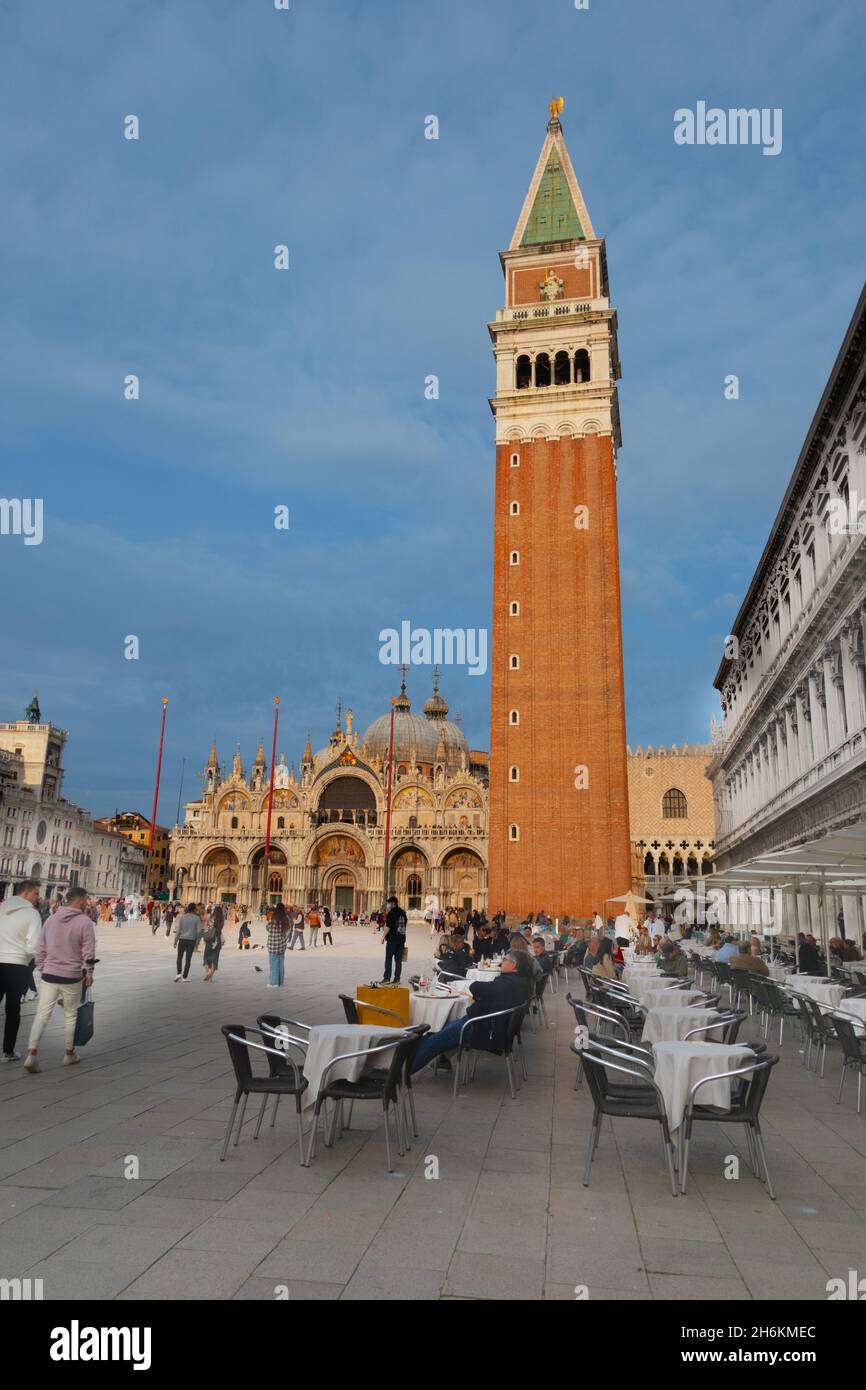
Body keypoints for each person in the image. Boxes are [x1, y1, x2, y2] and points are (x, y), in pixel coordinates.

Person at [410, 950, 533, 1073]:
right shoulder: (521, 982)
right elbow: (491, 993)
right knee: (435, 1033)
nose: (501, 962)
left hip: (480, 1029)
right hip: (488, 1025)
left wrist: (481, 995)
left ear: (514, 965)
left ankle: (399, 1075)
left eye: (505, 960)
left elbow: (476, 987)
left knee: (433, 1041)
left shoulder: (509, 984)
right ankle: (422, 1060)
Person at [24, 886, 96, 1072]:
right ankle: (68, 1054)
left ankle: (31, 1054)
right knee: (71, 1015)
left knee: (42, 1015)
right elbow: (88, 952)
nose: (87, 902)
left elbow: (40, 949)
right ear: (79, 900)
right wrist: (88, 973)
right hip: (71, 976)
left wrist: (43, 968)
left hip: (49, 974)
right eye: (85, 899)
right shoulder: (84, 922)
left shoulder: (51, 919)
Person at [0, 879, 42, 1062]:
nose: (37, 898)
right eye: (36, 894)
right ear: (26, 893)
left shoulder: (1, 907)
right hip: (17, 964)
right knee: (12, 1009)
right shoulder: (31, 914)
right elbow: (34, 946)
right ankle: (7, 1051)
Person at [381, 895, 407, 984]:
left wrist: (383, 937)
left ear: (393, 904)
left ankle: (387, 978)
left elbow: (388, 926)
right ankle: (397, 979)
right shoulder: (403, 912)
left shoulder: (392, 913)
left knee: (388, 958)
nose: (388, 905)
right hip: (401, 940)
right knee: (398, 960)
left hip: (392, 940)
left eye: (389, 903)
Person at [173, 903, 203, 981]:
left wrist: (175, 941)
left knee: (179, 957)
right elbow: (199, 931)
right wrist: (197, 942)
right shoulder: (197, 918)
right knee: (188, 959)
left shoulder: (183, 917)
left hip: (182, 939)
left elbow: (178, 930)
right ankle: (185, 977)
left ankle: (178, 973)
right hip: (191, 940)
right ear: (194, 909)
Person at [267, 903, 289, 987]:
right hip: (282, 945)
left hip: (273, 945)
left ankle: (274, 982)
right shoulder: (286, 919)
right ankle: (280, 981)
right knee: (281, 964)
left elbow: (267, 928)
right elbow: (288, 931)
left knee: (273, 964)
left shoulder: (273, 919)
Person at [202, 907, 224, 982]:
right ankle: (211, 977)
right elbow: (220, 930)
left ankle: (207, 972)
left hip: (210, 939)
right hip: (217, 940)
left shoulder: (210, 918)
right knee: (215, 959)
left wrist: (204, 937)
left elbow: (206, 928)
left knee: (206, 957)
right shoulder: (221, 920)